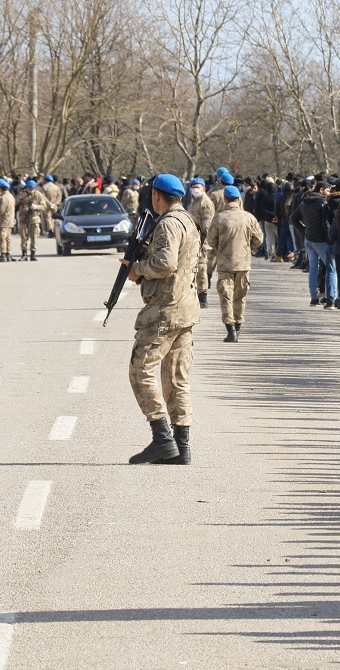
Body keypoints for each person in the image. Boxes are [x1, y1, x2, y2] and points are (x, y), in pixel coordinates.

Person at [123, 174, 201, 465]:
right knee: (176, 378)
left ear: (156, 195)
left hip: (165, 310)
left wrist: (138, 268)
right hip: (185, 309)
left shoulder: (168, 223)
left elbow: (165, 264)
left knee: (140, 370)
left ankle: (162, 439)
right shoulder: (187, 221)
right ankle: (182, 446)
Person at [206, 185, 263, 343]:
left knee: (226, 296)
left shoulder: (219, 218)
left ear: (225, 199)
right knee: (240, 296)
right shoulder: (249, 218)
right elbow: (259, 240)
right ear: (239, 199)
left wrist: (222, 247)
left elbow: (211, 240)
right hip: (243, 263)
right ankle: (238, 326)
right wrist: (245, 245)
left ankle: (230, 329)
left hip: (225, 263)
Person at [185, 178, 216, 309]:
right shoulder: (193, 203)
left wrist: (203, 243)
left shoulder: (205, 203)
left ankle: (202, 297)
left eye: (198, 187)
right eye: (193, 187)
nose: (195, 189)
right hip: (192, 241)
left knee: (201, 269)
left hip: (201, 243)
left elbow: (207, 226)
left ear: (203, 188)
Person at [17, 179, 47, 260]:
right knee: (23, 236)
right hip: (23, 218)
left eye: (32, 188)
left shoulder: (38, 195)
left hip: (34, 218)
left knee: (34, 236)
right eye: (29, 188)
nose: (30, 190)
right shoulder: (23, 193)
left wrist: (36, 207)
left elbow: (44, 206)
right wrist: (20, 198)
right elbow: (15, 203)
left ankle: (33, 254)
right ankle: (24, 254)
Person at [0, 179, 15, 262]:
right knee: (8, 237)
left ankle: (3, 254)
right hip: (10, 220)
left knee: (2, 237)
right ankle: (8, 253)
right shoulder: (11, 196)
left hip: (3, 220)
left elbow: (1, 210)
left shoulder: (3, 198)